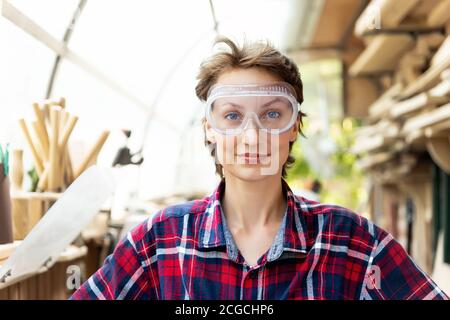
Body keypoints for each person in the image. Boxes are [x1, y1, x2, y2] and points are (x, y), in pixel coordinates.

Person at [70, 37, 448, 300]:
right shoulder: (159, 242)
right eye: (232, 116)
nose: (253, 137)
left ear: (295, 127)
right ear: (210, 129)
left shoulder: (352, 243)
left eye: (271, 114)